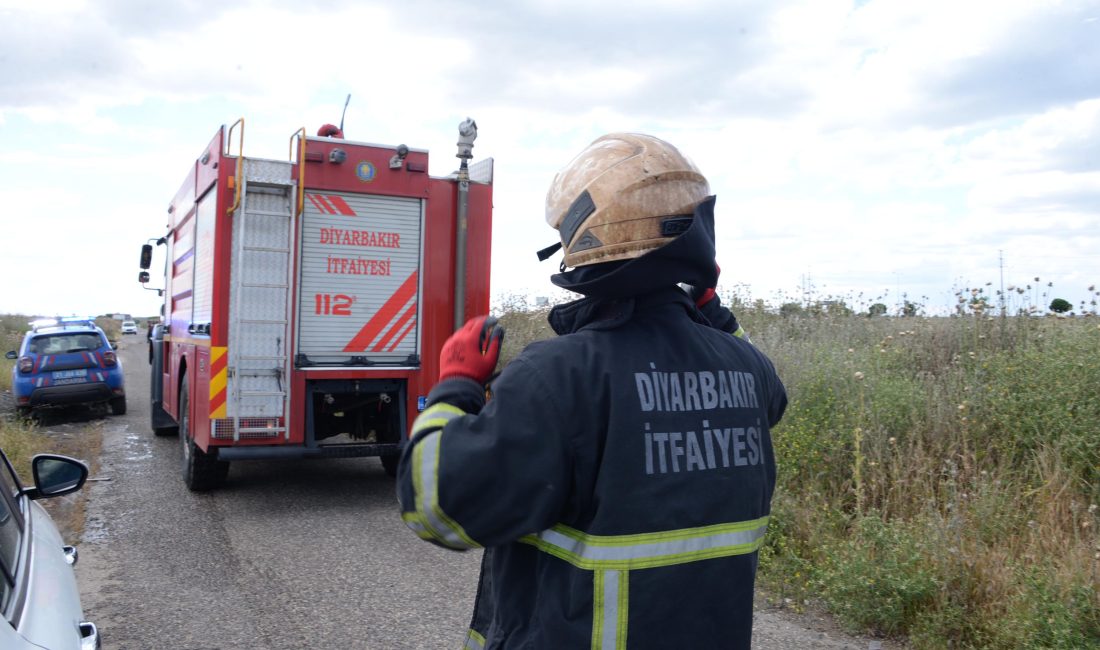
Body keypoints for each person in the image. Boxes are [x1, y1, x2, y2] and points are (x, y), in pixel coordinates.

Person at [397, 133, 787, 649]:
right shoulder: (749, 372)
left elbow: (436, 507)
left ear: (584, 242)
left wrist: (455, 386)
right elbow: (769, 391)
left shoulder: (559, 375)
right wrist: (712, 311)